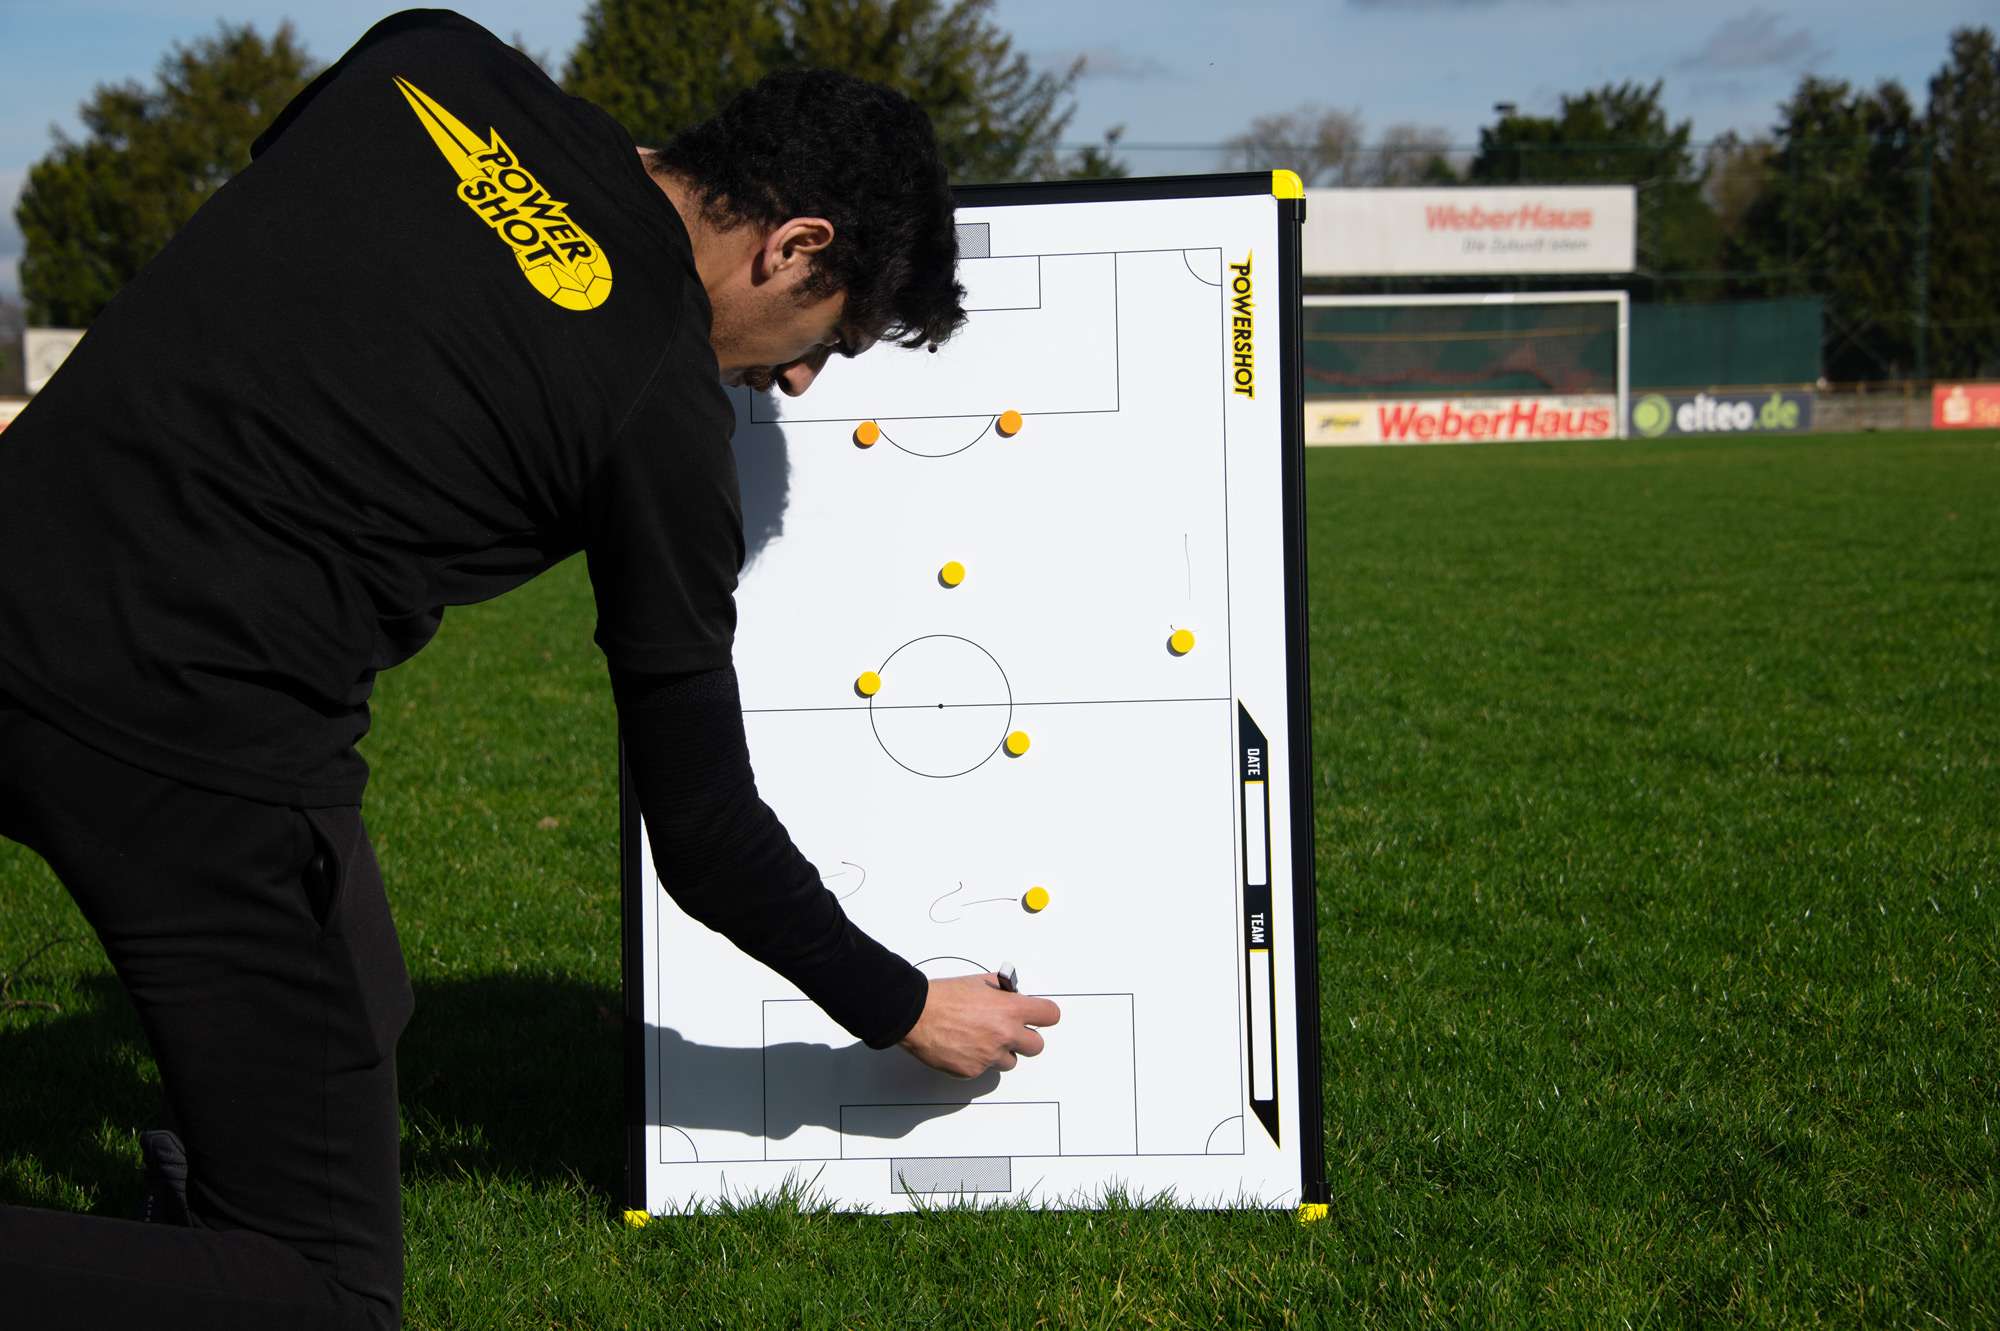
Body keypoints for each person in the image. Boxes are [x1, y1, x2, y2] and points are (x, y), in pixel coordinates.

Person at [0, 10, 1059, 1328]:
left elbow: (311, 234)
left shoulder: (431, 61)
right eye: (828, 339)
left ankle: (195, 1192)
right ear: (796, 246)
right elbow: (706, 834)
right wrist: (903, 1007)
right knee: (321, 1295)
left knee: (360, 992)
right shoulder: (658, 402)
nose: (795, 381)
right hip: (191, 738)